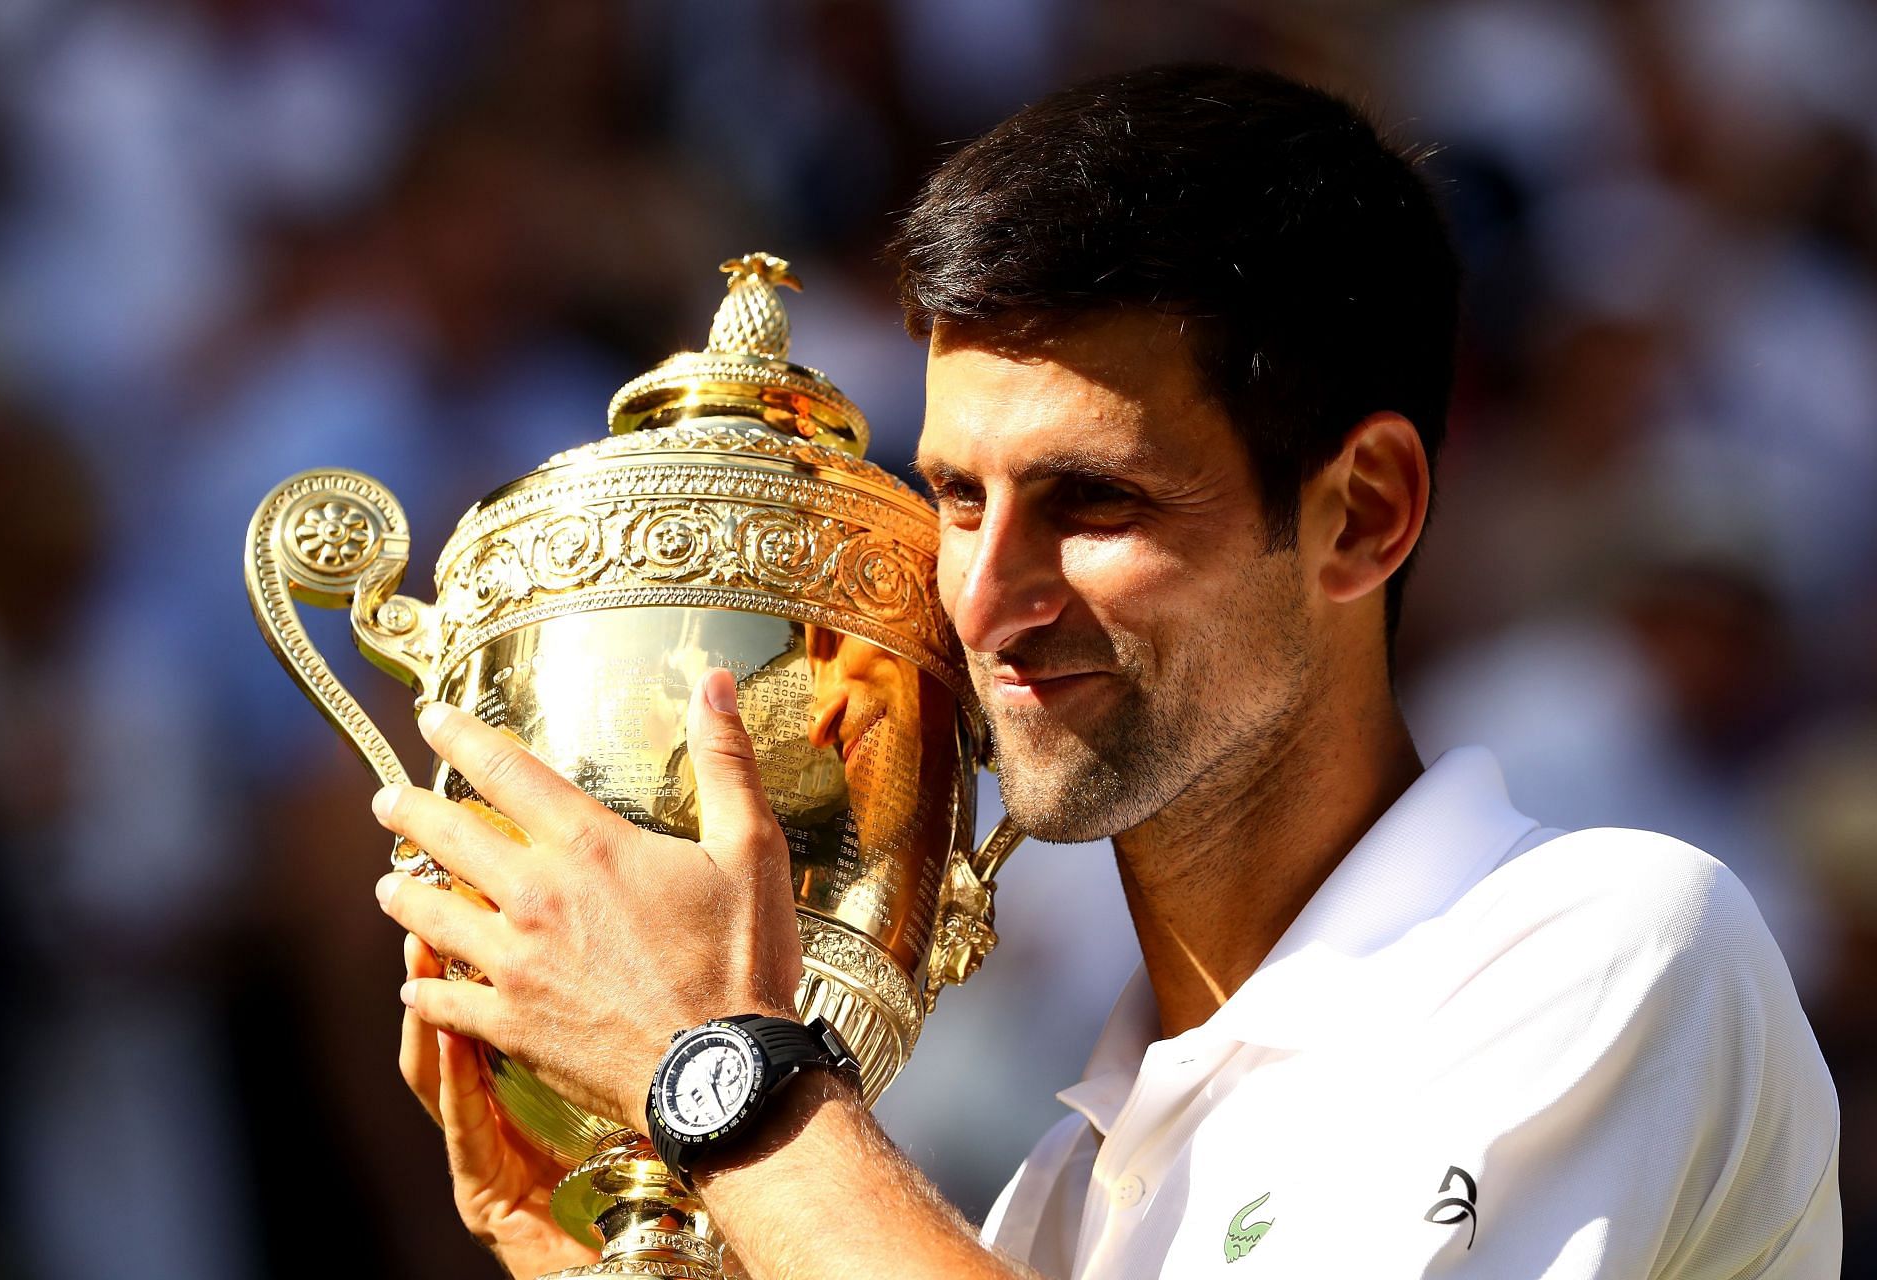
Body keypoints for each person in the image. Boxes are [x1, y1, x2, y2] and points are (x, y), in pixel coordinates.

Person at [370, 65, 1841, 1278]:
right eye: (955, 498)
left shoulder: (1617, 948)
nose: (989, 597)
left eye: (1095, 504)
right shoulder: (1048, 1204)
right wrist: (627, 1243)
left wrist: (720, 1079)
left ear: (1364, 514)